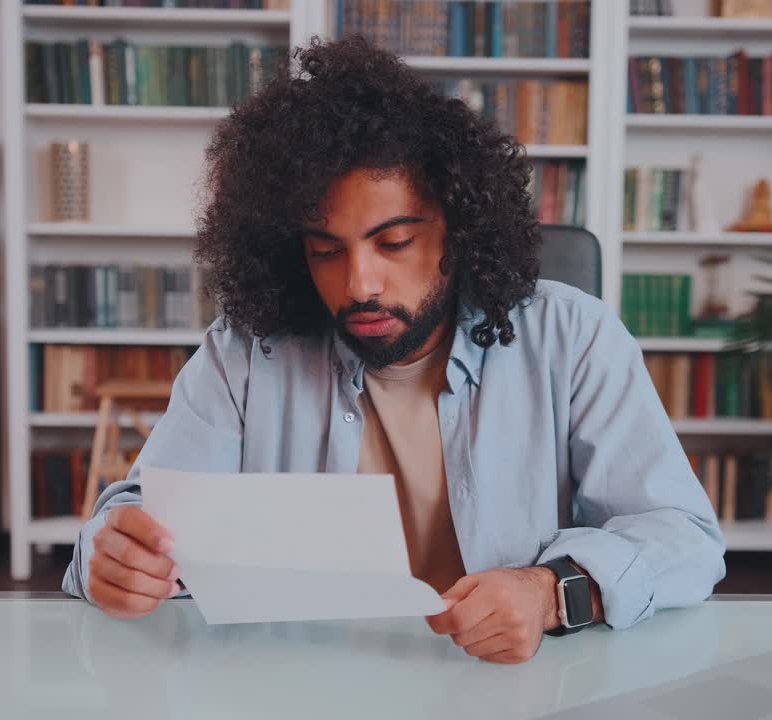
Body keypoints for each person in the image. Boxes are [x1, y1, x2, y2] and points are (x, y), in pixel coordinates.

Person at [64, 36, 725, 665]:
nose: (358, 285)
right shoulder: (244, 355)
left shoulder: (573, 338)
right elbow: (133, 520)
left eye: (395, 242)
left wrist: (551, 592)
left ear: (458, 230)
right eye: (325, 251)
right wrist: (115, 556)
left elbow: (682, 537)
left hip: (508, 685)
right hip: (298, 683)